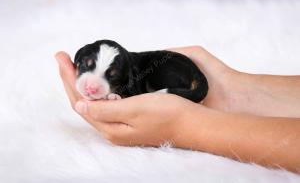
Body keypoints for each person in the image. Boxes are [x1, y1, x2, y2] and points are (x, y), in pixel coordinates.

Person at [55, 46, 300, 173]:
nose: (91, 83)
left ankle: (177, 89)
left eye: (110, 75)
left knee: (159, 78)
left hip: (177, 79)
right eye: (86, 67)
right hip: (185, 79)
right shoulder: (131, 68)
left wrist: (187, 126)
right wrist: (229, 91)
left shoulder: (139, 72)